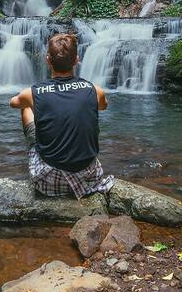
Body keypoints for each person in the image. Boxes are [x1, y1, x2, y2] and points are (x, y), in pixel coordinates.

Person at [9, 33, 114, 199]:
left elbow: (13, 102)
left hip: (49, 181)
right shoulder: (94, 90)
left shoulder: (34, 92)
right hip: (89, 177)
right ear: (76, 60)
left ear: (48, 60)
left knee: (26, 107)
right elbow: (103, 106)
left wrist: (43, 104)